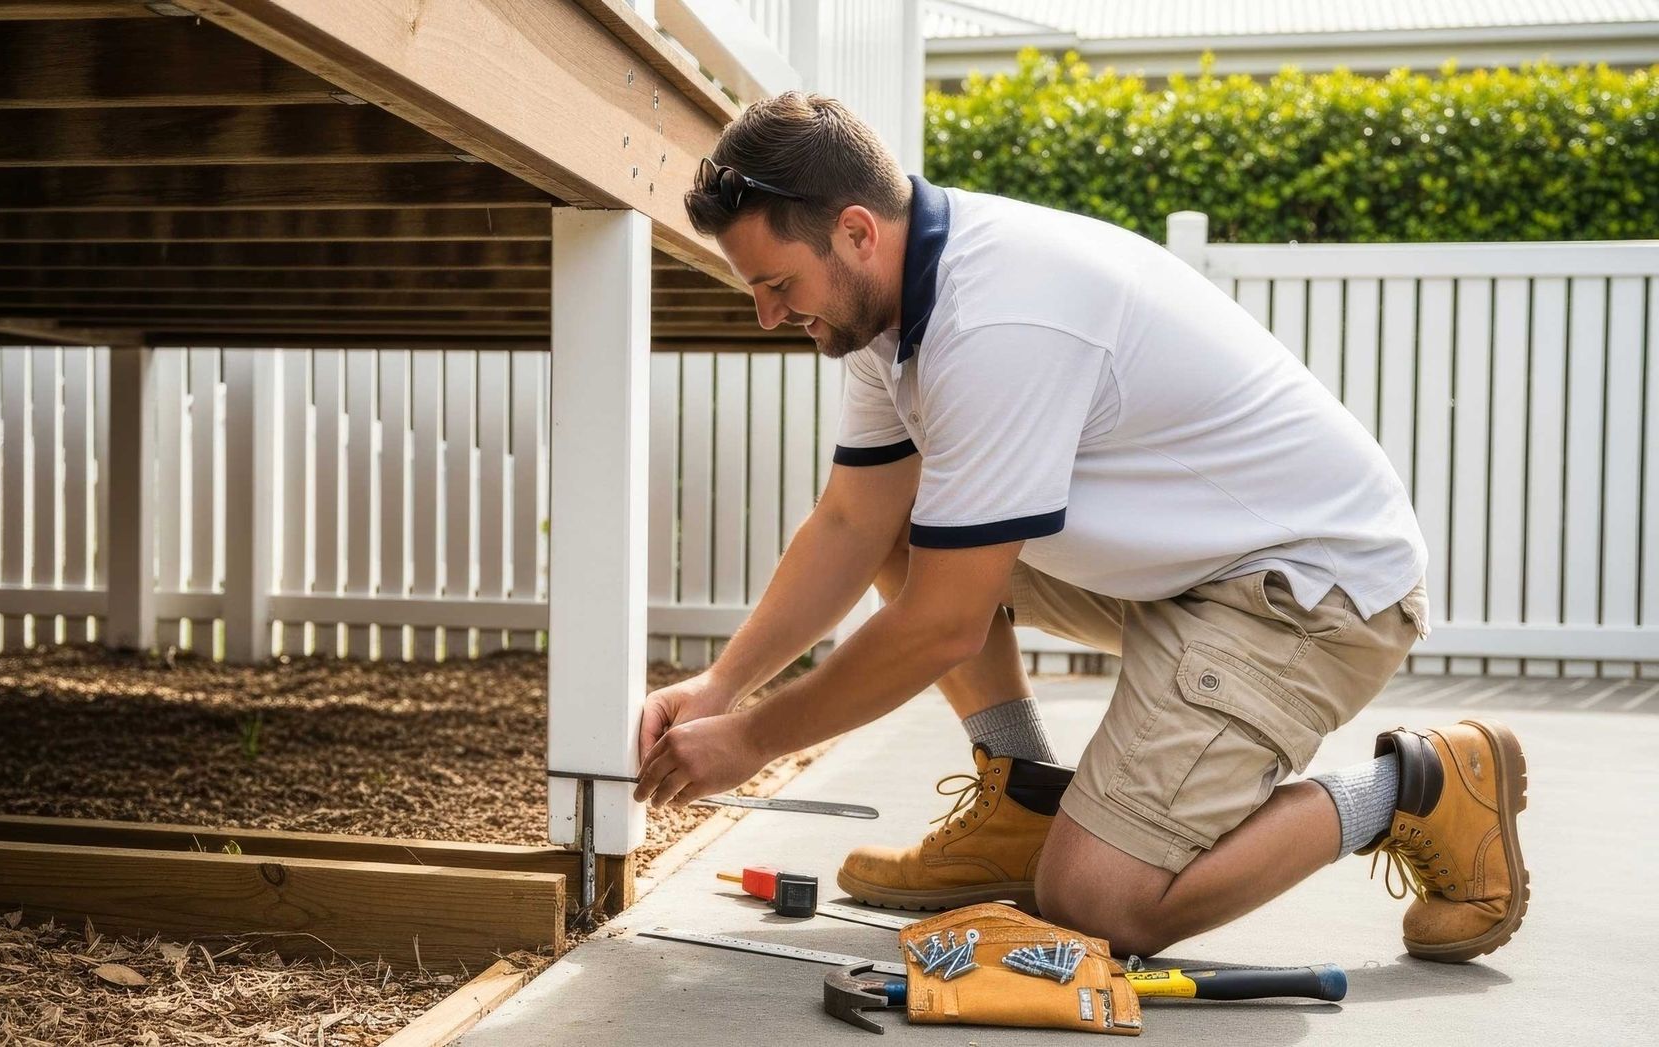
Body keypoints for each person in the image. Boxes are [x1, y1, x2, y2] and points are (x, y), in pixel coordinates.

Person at [630, 92, 1527, 963]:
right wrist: (719, 688)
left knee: (1102, 902)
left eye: (778, 284)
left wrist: (751, 740)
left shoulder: (997, 317)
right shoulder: (888, 311)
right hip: (1193, 572)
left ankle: (1419, 787)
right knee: (911, 531)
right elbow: (854, 522)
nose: (768, 314)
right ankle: (1024, 796)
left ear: (858, 231)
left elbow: (942, 623)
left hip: (1311, 595)